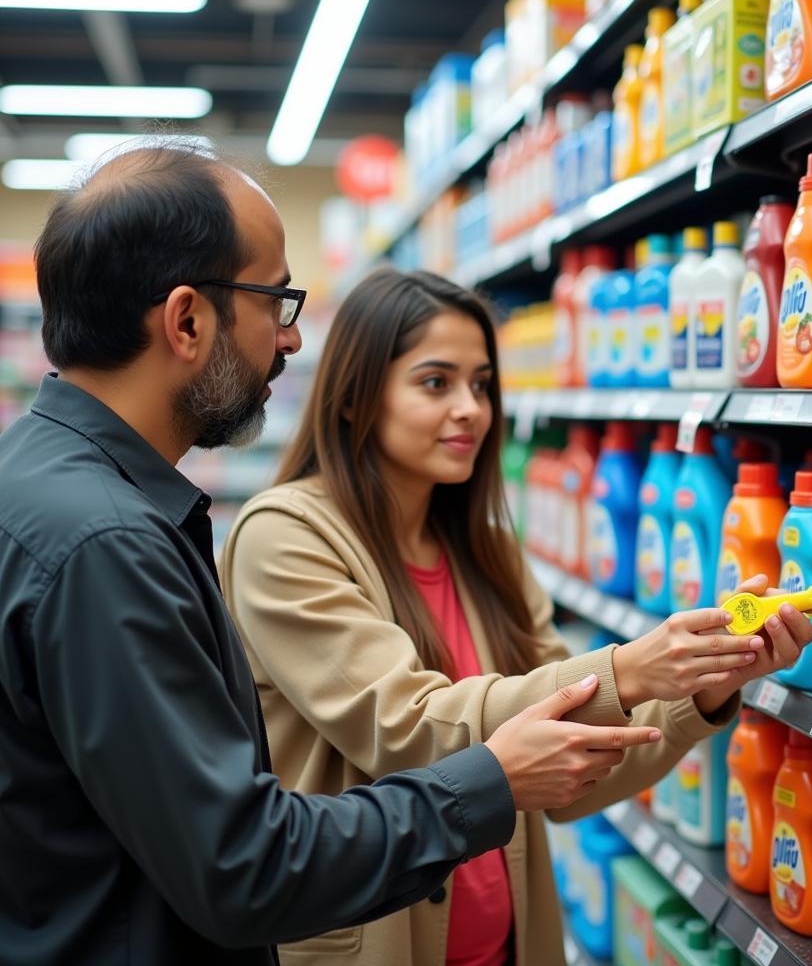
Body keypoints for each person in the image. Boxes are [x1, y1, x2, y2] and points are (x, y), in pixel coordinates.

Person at [0, 143, 663, 966]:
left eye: (483, 383)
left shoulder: (51, 488)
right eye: (275, 301)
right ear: (186, 320)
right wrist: (494, 777)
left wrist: (691, 686)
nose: (287, 339)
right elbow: (243, 865)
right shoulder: (110, 544)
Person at [222, 268, 812, 966]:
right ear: (358, 398)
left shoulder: (486, 553)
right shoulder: (285, 536)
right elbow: (406, 726)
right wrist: (629, 668)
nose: (470, 410)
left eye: (481, 385)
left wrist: (707, 683)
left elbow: (574, 777)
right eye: (435, 382)